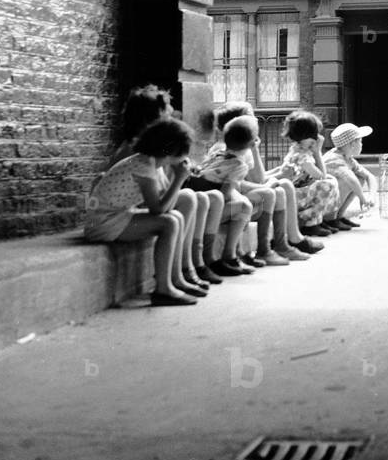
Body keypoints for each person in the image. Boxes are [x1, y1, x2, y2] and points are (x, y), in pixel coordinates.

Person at [109, 85, 223, 288]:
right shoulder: (138, 152)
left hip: (142, 206)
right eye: (167, 109)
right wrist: (179, 177)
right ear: (153, 117)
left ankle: (191, 264)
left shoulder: (153, 148)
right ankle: (183, 269)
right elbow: (151, 201)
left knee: (198, 197)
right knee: (188, 198)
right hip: (132, 210)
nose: (172, 112)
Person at [84, 118, 201, 306]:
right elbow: (158, 209)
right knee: (169, 222)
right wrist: (179, 179)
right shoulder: (143, 168)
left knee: (176, 217)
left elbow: (167, 204)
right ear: (170, 151)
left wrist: (177, 177)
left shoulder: (152, 163)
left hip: (117, 216)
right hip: (103, 223)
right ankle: (163, 289)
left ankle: (176, 278)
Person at [207, 102, 320, 262]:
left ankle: (288, 240)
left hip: (240, 195)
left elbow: (255, 176)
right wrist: (274, 175)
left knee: (283, 186)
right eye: (251, 117)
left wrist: (278, 171)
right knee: (277, 190)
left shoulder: (241, 147)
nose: (256, 121)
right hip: (234, 200)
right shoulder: (229, 150)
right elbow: (252, 181)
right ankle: (274, 246)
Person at [191, 117, 265, 277]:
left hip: (199, 205)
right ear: (252, 144)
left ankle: (235, 253)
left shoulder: (217, 154)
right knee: (245, 207)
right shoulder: (239, 165)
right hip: (210, 212)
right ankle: (230, 256)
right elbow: (225, 193)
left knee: (242, 204)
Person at [274, 110, 341, 237]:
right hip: (293, 196)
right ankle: (310, 223)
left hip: (297, 192)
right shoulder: (301, 156)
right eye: (313, 135)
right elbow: (321, 175)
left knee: (329, 181)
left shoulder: (299, 150)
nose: (316, 139)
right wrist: (317, 152)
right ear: (302, 135)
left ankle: (318, 220)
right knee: (326, 185)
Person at [322, 122, 377, 225]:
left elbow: (369, 176)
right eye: (360, 141)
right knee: (348, 181)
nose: (362, 144)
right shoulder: (334, 159)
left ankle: (339, 216)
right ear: (352, 144)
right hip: (319, 202)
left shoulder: (348, 159)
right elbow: (350, 178)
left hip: (327, 199)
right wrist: (362, 199)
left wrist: (371, 196)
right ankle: (330, 219)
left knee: (360, 178)